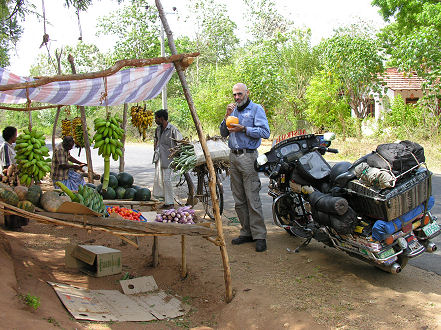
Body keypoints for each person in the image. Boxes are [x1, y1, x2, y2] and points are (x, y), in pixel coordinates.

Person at [220, 83, 270, 252]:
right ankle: (246, 232)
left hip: (249, 156)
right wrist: (226, 116)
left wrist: (245, 129)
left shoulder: (256, 109)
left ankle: (260, 235)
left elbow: (265, 132)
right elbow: (223, 133)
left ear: (247, 93)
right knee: (239, 198)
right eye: (234, 95)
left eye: (240, 94)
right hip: (233, 156)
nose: (237, 98)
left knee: (252, 197)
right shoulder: (232, 110)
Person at [153, 109, 183, 209]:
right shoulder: (158, 129)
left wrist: (178, 156)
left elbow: (180, 142)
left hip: (169, 159)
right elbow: (156, 140)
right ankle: (166, 201)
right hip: (160, 158)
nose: (155, 120)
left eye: (156, 118)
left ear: (161, 119)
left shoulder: (172, 129)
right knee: (161, 181)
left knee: (167, 180)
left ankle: (170, 203)